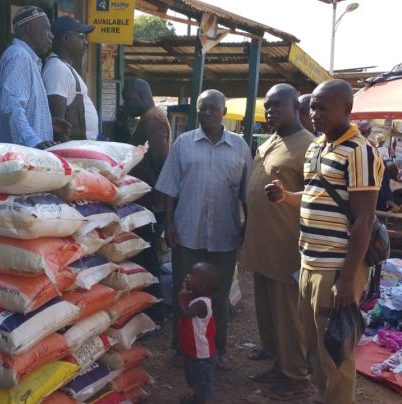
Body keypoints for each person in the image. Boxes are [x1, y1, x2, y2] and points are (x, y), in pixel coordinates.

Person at [265, 79, 384, 404]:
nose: (315, 114)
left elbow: (364, 219)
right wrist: (286, 197)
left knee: (334, 353)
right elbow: (315, 196)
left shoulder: (360, 152)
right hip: (309, 261)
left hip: (336, 268)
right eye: (313, 108)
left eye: (323, 108)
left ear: (347, 109)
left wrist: (346, 280)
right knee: (316, 348)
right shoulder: (317, 146)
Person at [156, 89, 252, 370]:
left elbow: (247, 193)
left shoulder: (240, 147)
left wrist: (248, 227)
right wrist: (169, 224)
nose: (207, 112)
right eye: (202, 108)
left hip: (224, 234)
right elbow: (169, 189)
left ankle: (217, 350)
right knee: (185, 291)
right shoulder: (183, 144)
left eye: (212, 108)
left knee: (218, 297)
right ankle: (181, 348)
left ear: (224, 112)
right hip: (188, 232)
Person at [240, 84, 313, 400]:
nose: (270, 111)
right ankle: (278, 363)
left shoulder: (309, 146)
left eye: (277, 106)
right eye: (267, 106)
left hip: (287, 250)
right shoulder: (270, 141)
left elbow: (317, 197)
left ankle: (296, 377)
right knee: (268, 314)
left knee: (288, 318)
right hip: (262, 247)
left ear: (296, 107)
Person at [122, 78, 171, 322]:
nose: (126, 105)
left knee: (146, 256)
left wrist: (160, 197)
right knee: (146, 254)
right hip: (149, 199)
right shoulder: (150, 117)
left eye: (128, 99)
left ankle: (154, 312)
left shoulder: (152, 119)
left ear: (141, 96)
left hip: (150, 202)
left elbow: (162, 160)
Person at [0, 6, 55, 149]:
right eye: (46, 29)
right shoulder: (19, 56)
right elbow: (12, 108)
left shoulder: (28, 59)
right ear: (30, 29)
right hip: (21, 156)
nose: (51, 36)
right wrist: (33, 142)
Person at [42, 16, 99, 141]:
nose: (86, 42)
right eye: (81, 37)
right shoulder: (57, 69)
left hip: (82, 145)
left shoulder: (63, 66)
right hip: (73, 147)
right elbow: (58, 124)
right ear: (66, 38)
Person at [178, 262, 219, 404]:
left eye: (191, 275)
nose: (187, 276)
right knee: (194, 378)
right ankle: (197, 397)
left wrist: (180, 298)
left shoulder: (201, 303)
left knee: (201, 380)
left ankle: (200, 400)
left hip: (201, 354)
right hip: (192, 350)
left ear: (203, 287)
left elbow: (185, 314)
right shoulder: (195, 295)